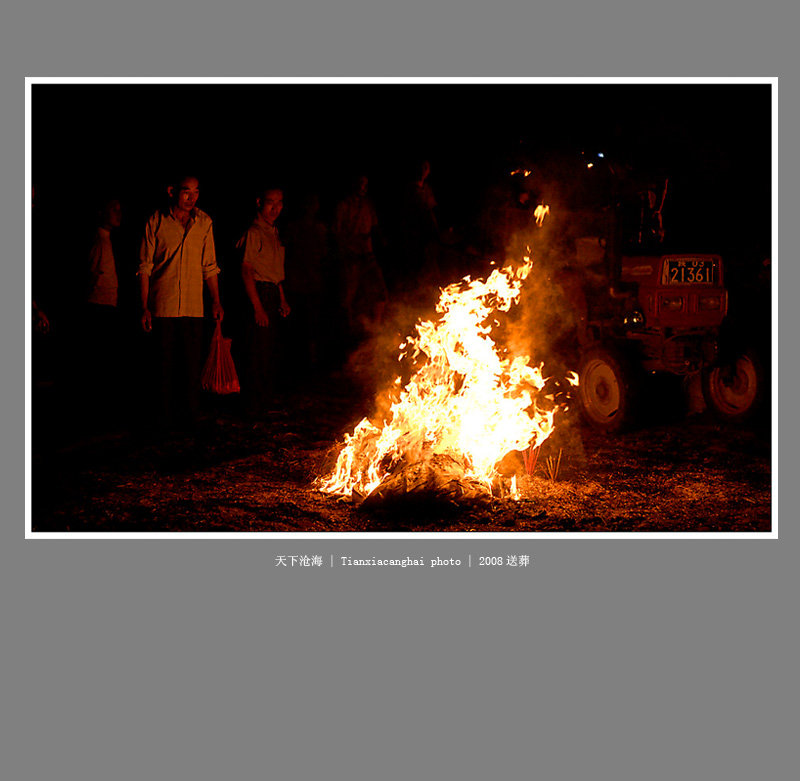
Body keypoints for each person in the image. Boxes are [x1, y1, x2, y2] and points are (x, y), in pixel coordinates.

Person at [138, 174, 223, 431]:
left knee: (190, 366)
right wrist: (145, 306)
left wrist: (216, 301)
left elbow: (209, 266)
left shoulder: (204, 222)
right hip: (163, 305)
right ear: (172, 191)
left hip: (193, 308)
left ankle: (190, 420)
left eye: (196, 192)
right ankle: (162, 422)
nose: (192, 197)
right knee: (163, 368)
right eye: (186, 192)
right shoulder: (156, 220)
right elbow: (145, 267)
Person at [236, 185, 290, 416]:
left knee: (268, 352)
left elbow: (275, 272)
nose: (275, 208)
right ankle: (252, 406)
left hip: (271, 293)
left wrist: (283, 299)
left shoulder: (274, 231)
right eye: (271, 202)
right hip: (258, 293)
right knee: (256, 352)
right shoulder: (253, 232)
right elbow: (246, 270)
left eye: (279, 203)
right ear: (259, 202)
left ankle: (264, 402)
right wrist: (257, 307)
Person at [333, 174, 388, 337]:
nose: (363, 188)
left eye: (365, 185)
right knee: (348, 297)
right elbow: (335, 234)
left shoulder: (368, 204)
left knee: (381, 293)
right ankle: (347, 330)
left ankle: (376, 328)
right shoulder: (342, 206)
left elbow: (375, 227)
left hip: (368, 255)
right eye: (360, 184)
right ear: (353, 184)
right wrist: (345, 250)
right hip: (351, 256)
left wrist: (382, 240)